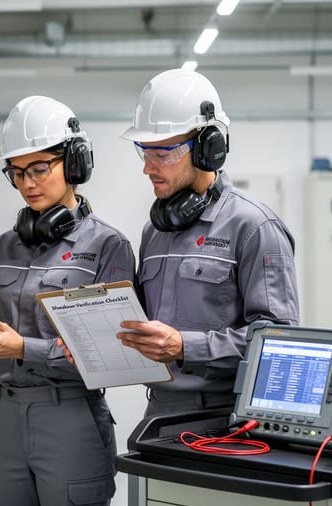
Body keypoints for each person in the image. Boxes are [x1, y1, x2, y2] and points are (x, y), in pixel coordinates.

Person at [0, 96, 136, 506]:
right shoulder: (4, 246)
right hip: (6, 417)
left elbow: (114, 354)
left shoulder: (107, 246)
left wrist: (22, 349)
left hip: (69, 418)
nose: (27, 183)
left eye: (39, 169)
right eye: (16, 172)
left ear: (75, 165)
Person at [116, 68, 300, 416]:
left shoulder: (255, 227)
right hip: (158, 411)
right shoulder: (154, 231)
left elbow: (279, 342)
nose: (148, 169)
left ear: (207, 149)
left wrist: (186, 346)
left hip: (224, 415)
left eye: (163, 154)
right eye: (145, 152)